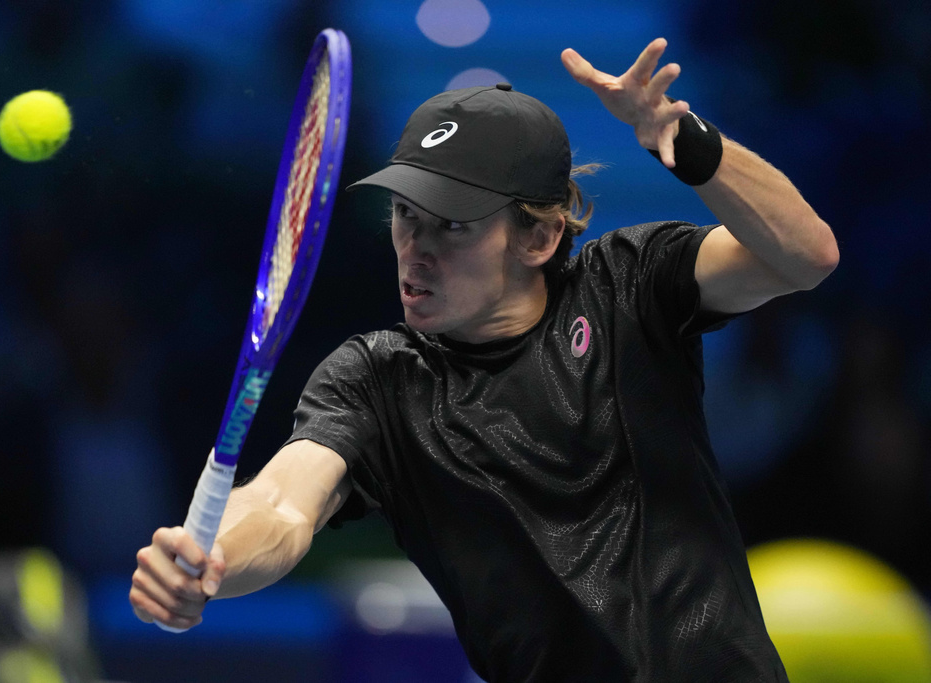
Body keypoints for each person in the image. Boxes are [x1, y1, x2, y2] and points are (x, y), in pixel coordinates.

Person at [130, 38, 837, 681]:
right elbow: (283, 503)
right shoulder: (380, 380)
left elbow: (805, 256)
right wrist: (210, 561)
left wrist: (683, 140)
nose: (417, 245)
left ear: (539, 236)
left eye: (454, 223)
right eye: (407, 213)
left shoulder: (629, 284)